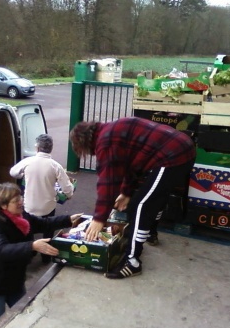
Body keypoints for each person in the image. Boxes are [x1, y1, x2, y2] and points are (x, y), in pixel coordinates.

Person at [69, 117, 196, 279]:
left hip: (173, 156)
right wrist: (126, 192)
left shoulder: (106, 143)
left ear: (84, 142)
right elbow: (130, 165)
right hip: (183, 148)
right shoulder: (109, 131)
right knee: (155, 197)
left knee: (140, 205)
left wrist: (99, 218)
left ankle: (132, 261)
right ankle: (149, 233)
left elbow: (107, 184)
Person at [0, 182, 82, 328]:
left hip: (15, 279)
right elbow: (1, 249)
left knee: (23, 315)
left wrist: (68, 220)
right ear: (3, 205)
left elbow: (43, 223)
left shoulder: (21, 216)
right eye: (16, 201)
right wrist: (32, 246)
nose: (21, 202)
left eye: (20, 197)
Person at [9, 134, 74, 263]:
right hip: (47, 207)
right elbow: (67, 188)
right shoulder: (56, 166)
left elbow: (13, 172)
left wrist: (24, 174)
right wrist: (69, 194)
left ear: (37, 147)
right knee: (48, 229)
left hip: (29, 206)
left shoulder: (28, 162)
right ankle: (46, 256)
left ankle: (31, 251)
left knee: (28, 229)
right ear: (51, 148)